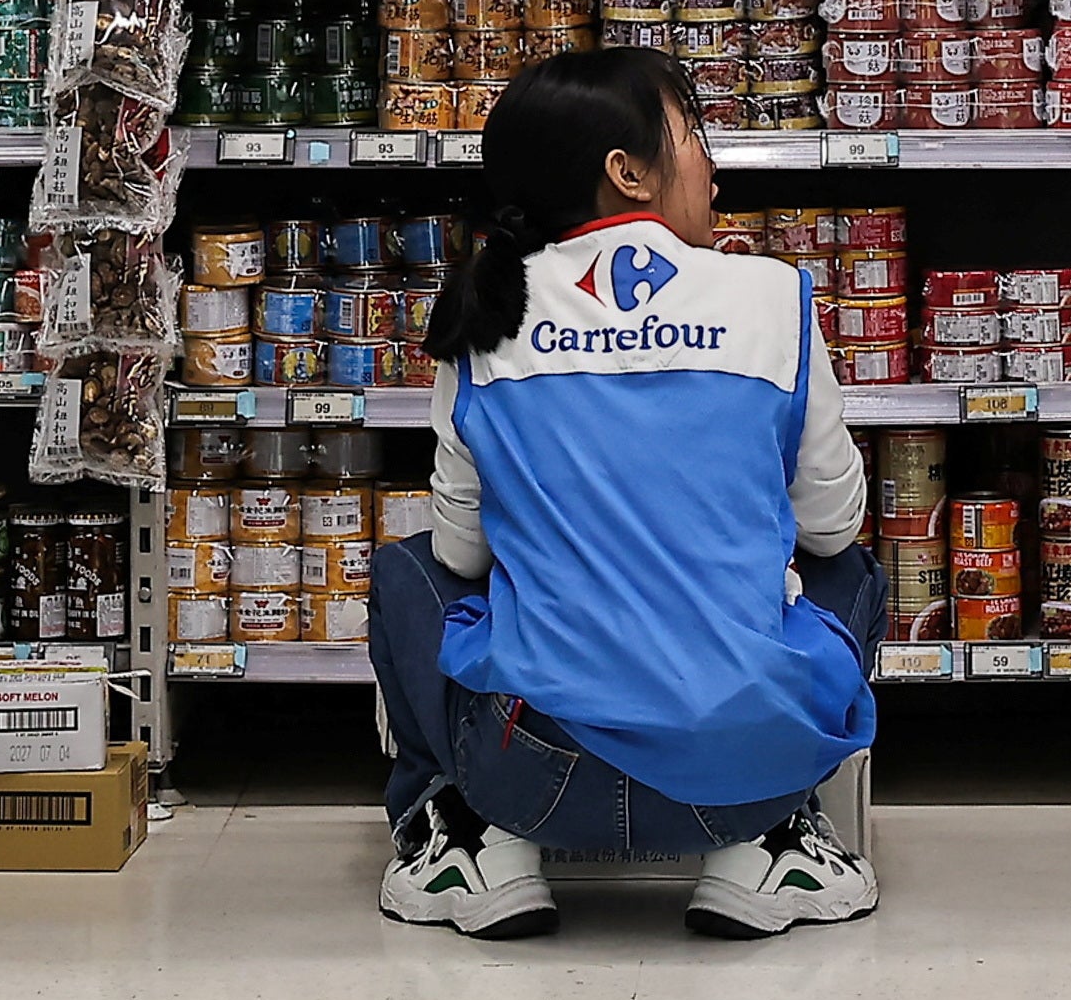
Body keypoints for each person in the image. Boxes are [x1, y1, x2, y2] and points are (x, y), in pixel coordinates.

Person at [368, 47, 885, 942]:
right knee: (855, 571)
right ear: (628, 171)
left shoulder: (485, 314)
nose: (710, 163)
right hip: (743, 772)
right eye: (692, 135)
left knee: (408, 573)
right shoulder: (773, 297)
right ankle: (771, 845)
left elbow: (459, 556)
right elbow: (834, 525)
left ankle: (465, 841)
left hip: (533, 774)